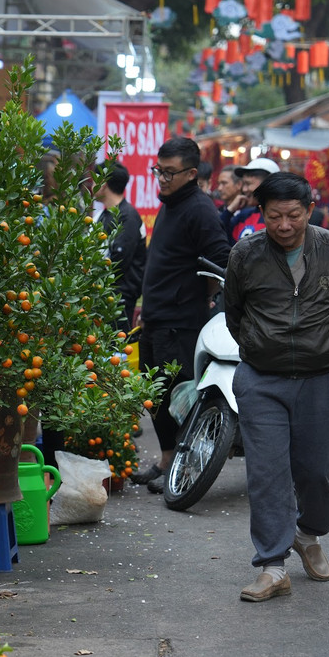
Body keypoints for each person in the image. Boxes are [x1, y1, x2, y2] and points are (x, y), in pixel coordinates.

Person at [224, 172, 329, 602]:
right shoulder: (245, 254)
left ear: (310, 210)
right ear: (261, 213)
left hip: (322, 377)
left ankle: (308, 534)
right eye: (275, 216)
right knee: (266, 473)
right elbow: (234, 312)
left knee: (320, 470)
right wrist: (260, 346)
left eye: (293, 216)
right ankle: (271, 564)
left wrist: (327, 345)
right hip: (262, 379)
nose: (284, 225)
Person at [129, 137, 231, 493]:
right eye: (159, 171)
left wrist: (206, 298)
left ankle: (189, 468)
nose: (162, 179)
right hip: (156, 317)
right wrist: (146, 305)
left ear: (191, 173)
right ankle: (168, 458)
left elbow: (221, 259)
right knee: (155, 397)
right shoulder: (170, 205)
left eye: (170, 173)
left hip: (181, 323)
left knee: (179, 397)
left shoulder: (200, 209)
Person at [88, 162, 146, 331]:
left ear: (103, 183)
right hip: (101, 297)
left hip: (118, 300)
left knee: (114, 351)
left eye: (94, 180)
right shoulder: (102, 215)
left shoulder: (128, 217)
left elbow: (118, 263)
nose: (91, 185)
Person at [219, 157, 279, 243]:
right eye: (244, 184)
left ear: (269, 184)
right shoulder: (243, 216)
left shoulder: (281, 219)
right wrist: (229, 211)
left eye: (248, 184)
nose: (244, 189)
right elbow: (216, 233)